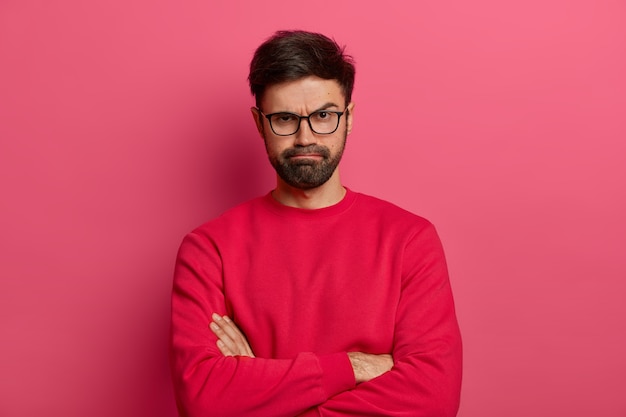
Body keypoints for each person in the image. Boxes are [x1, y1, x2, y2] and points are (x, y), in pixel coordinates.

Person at [170, 30, 462, 417]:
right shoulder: (209, 249)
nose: (305, 137)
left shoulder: (409, 239)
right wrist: (352, 367)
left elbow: (434, 399)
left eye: (323, 115)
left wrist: (263, 389)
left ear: (349, 118)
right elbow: (203, 400)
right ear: (259, 123)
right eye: (285, 118)